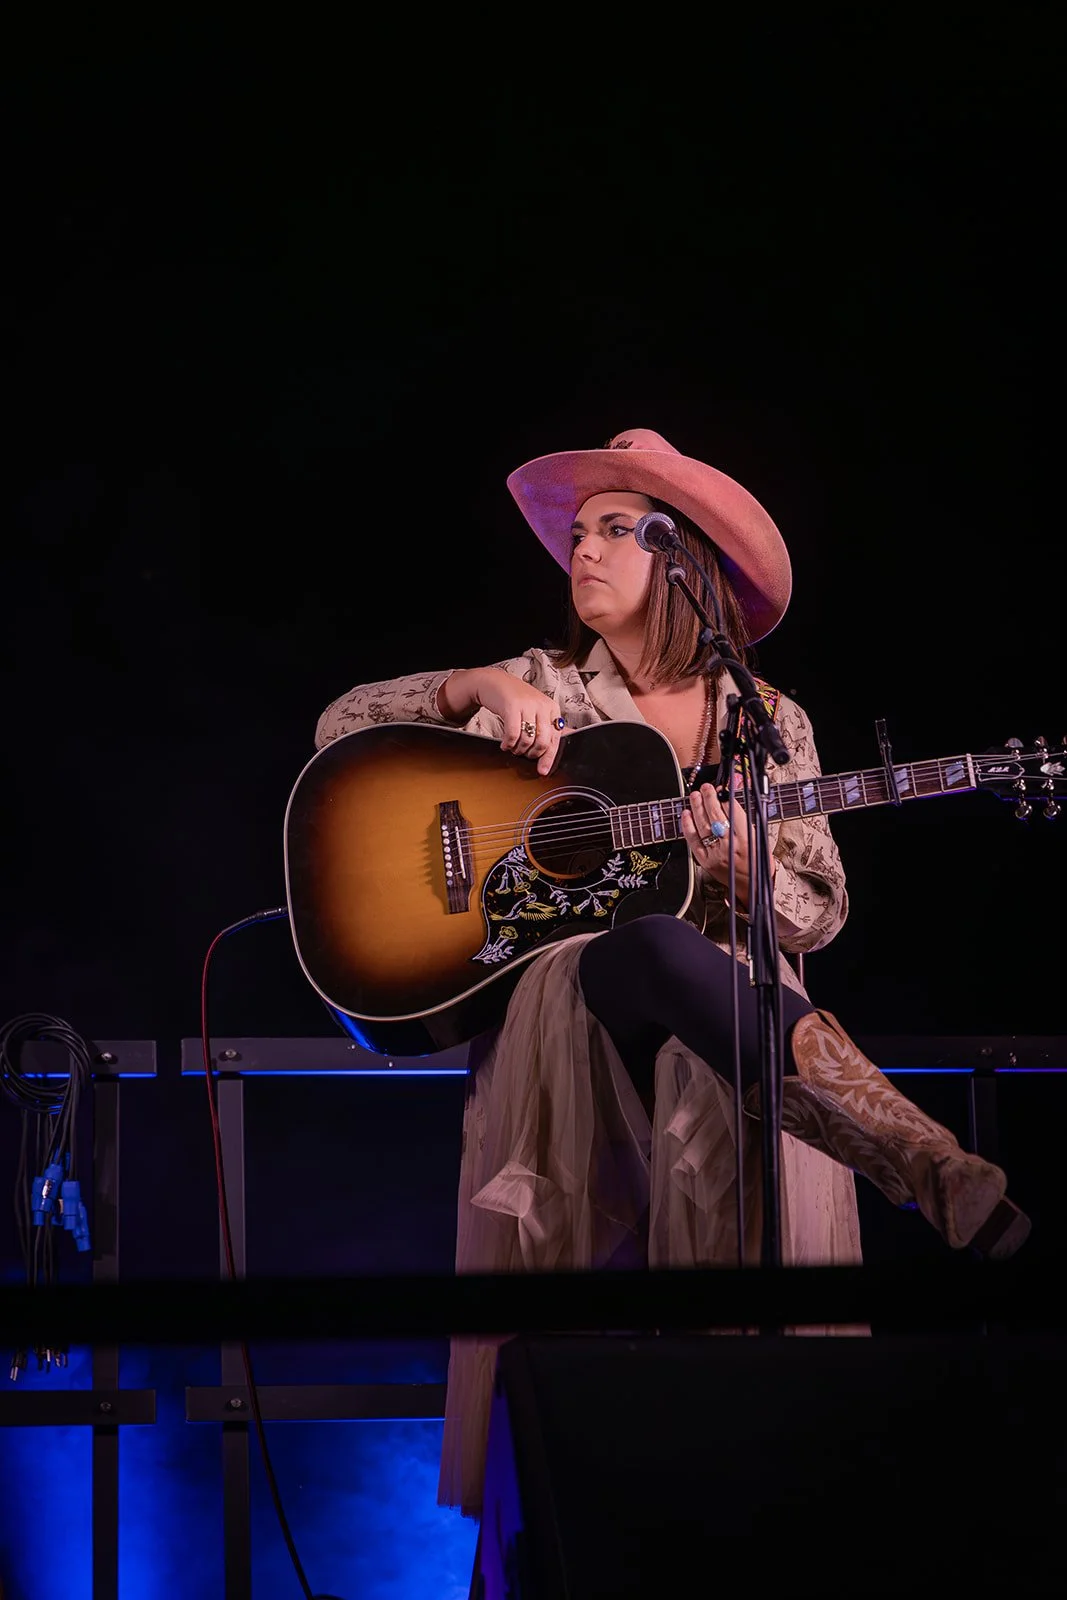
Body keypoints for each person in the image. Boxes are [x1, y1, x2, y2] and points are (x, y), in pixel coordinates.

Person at [313, 427, 1030, 1520]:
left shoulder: (767, 722)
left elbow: (820, 908)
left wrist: (747, 878)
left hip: (732, 1027)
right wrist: (476, 689)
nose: (581, 551)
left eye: (613, 530)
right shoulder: (545, 683)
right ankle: (920, 1155)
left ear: (680, 559)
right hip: (570, 1019)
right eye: (576, 534)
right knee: (644, 942)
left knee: (737, 1394)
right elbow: (340, 723)